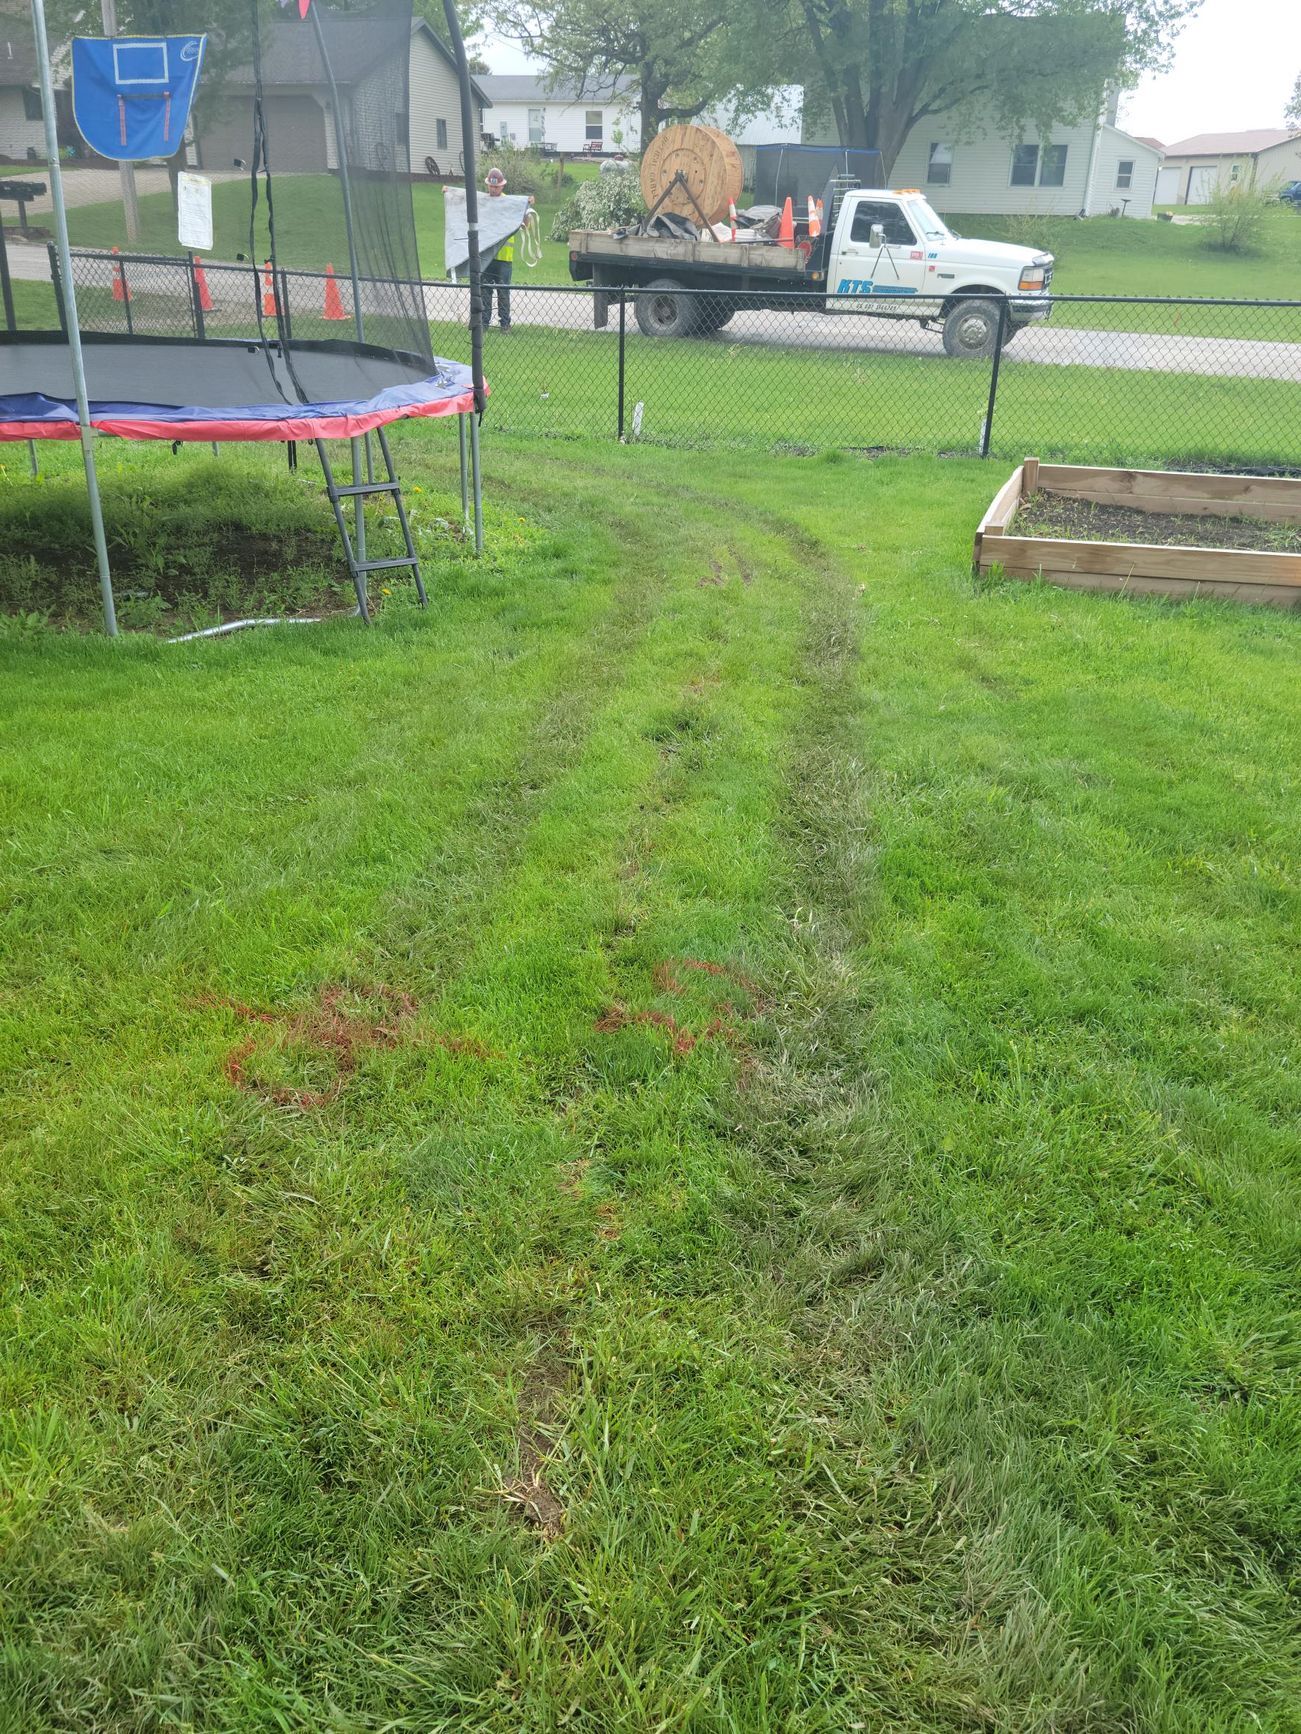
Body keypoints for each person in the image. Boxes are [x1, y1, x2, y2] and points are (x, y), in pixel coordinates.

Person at [481, 166, 515, 332]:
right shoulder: (482, 202)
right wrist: (450, 194)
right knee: (485, 291)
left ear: (502, 186)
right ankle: (483, 323)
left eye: (496, 186)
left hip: (504, 257)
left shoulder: (510, 203)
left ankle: (505, 324)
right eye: (491, 186)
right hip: (487, 256)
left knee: (503, 293)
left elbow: (526, 222)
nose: (493, 189)